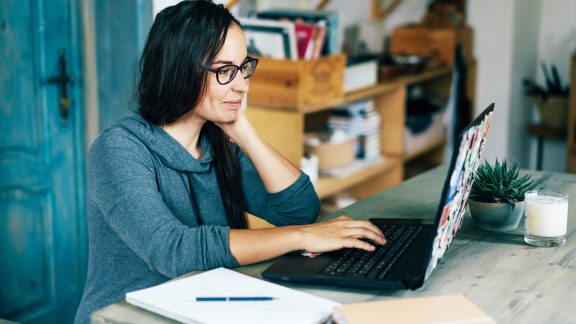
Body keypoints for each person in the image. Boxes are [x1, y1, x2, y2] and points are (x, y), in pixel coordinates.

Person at [75, 1, 385, 322]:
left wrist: (242, 128)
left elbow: (299, 209)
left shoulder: (217, 144)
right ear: (180, 70)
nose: (243, 85)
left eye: (243, 68)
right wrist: (301, 235)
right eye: (225, 71)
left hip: (204, 309)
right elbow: (172, 250)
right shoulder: (118, 150)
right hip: (125, 317)